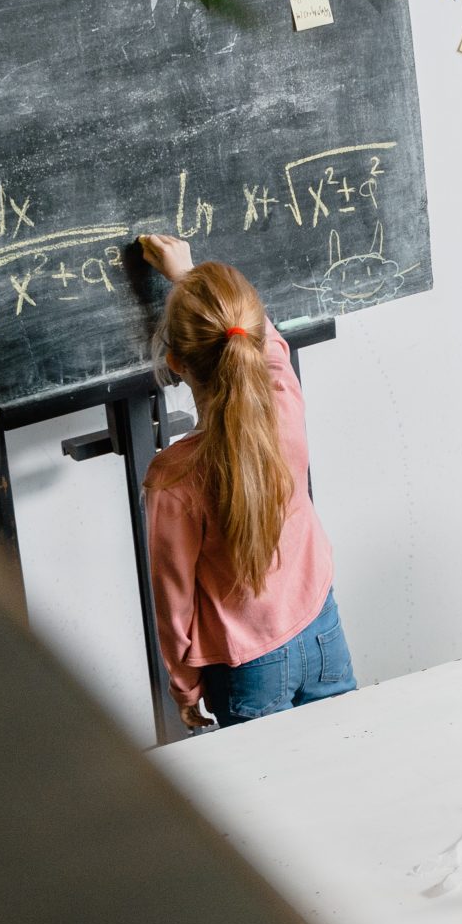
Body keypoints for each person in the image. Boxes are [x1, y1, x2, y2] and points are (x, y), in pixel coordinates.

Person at [138, 234, 355, 731]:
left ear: (176, 363)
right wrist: (189, 276)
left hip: (246, 668)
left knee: (271, 798)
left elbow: (174, 603)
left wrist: (185, 686)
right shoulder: (285, 405)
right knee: (350, 768)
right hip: (322, 627)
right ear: (252, 345)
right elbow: (268, 342)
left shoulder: (172, 479)